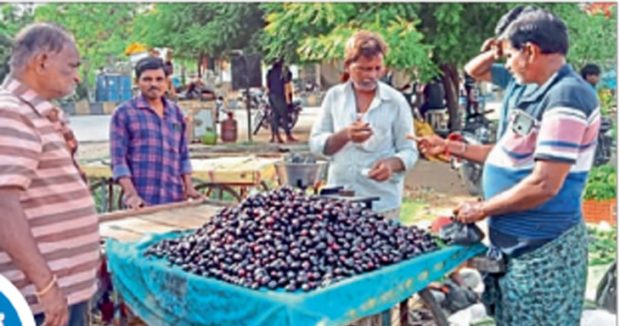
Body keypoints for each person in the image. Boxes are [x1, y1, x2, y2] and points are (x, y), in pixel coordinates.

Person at [415, 8, 599, 325]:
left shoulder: (566, 97)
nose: (507, 63)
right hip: (517, 246)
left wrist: (483, 209)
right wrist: (450, 147)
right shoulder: (537, 90)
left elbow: (544, 184)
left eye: (509, 54)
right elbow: (506, 154)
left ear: (529, 51)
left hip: (543, 250)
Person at [0, 23, 101, 326]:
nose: (78, 75)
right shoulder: (11, 112)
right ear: (42, 61)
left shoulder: (34, 113)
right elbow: (3, 205)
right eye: (71, 66)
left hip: (60, 292)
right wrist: (45, 285)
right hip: (39, 301)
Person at [309, 30, 418, 221]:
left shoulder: (395, 101)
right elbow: (316, 145)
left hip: (382, 203)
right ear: (347, 66)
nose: (371, 75)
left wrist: (391, 165)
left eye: (377, 69)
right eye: (364, 69)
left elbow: (409, 151)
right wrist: (345, 135)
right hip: (340, 201)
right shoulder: (334, 97)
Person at [110, 57, 202, 209]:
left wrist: (189, 188)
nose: (154, 84)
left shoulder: (176, 113)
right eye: (147, 79)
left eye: (159, 79)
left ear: (166, 82)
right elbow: (118, 161)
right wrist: (132, 195)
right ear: (136, 81)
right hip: (142, 202)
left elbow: (183, 155)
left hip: (175, 199)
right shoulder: (124, 113)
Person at [464, 5, 539, 140]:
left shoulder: (553, 88)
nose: (507, 63)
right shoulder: (514, 75)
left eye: (509, 54)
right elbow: (472, 70)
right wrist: (495, 53)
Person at [266, 58, 297, 143]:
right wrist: (288, 101)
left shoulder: (270, 72)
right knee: (284, 115)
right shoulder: (283, 73)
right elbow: (287, 84)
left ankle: (275, 136)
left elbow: (268, 86)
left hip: (272, 96)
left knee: (275, 116)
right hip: (279, 96)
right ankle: (287, 136)